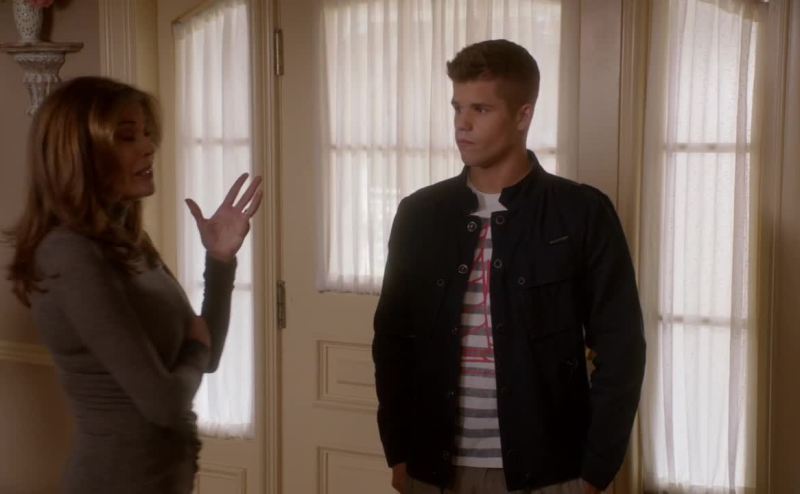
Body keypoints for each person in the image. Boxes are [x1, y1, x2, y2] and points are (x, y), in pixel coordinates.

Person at [372, 39, 646, 494]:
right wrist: (398, 451)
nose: (462, 124)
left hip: (550, 471)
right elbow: (392, 342)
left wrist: (595, 471)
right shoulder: (420, 214)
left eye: (481, 109)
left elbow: (622, 349)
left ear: (523, 116)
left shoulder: (581, 213)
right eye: (457, 107)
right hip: (432, 467)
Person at [5, 76, 263, 493]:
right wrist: (196, 348)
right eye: (127, 137)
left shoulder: (129, 241)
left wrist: (219, 261)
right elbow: (165, 402)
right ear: (81, 154)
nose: (148, 147)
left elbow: (206, 353)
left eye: (146, 133)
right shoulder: (69, 253)